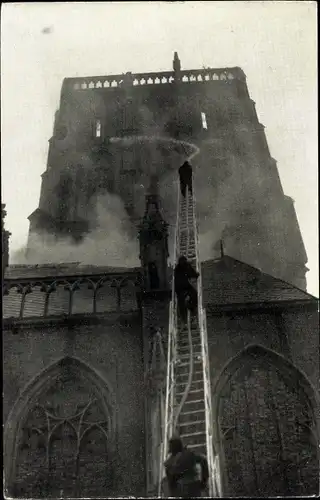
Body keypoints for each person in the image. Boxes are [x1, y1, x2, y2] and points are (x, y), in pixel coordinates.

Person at [174, 256, 199, 324]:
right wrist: (196, 275)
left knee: (193, 295)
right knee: (193, 296)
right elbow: (191, 273)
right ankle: (188, 316)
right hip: (183, 288)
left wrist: (195, 275)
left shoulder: (180, 267)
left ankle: (187, 316)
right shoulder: (181, 267)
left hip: (182, 288)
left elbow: (191, 273)